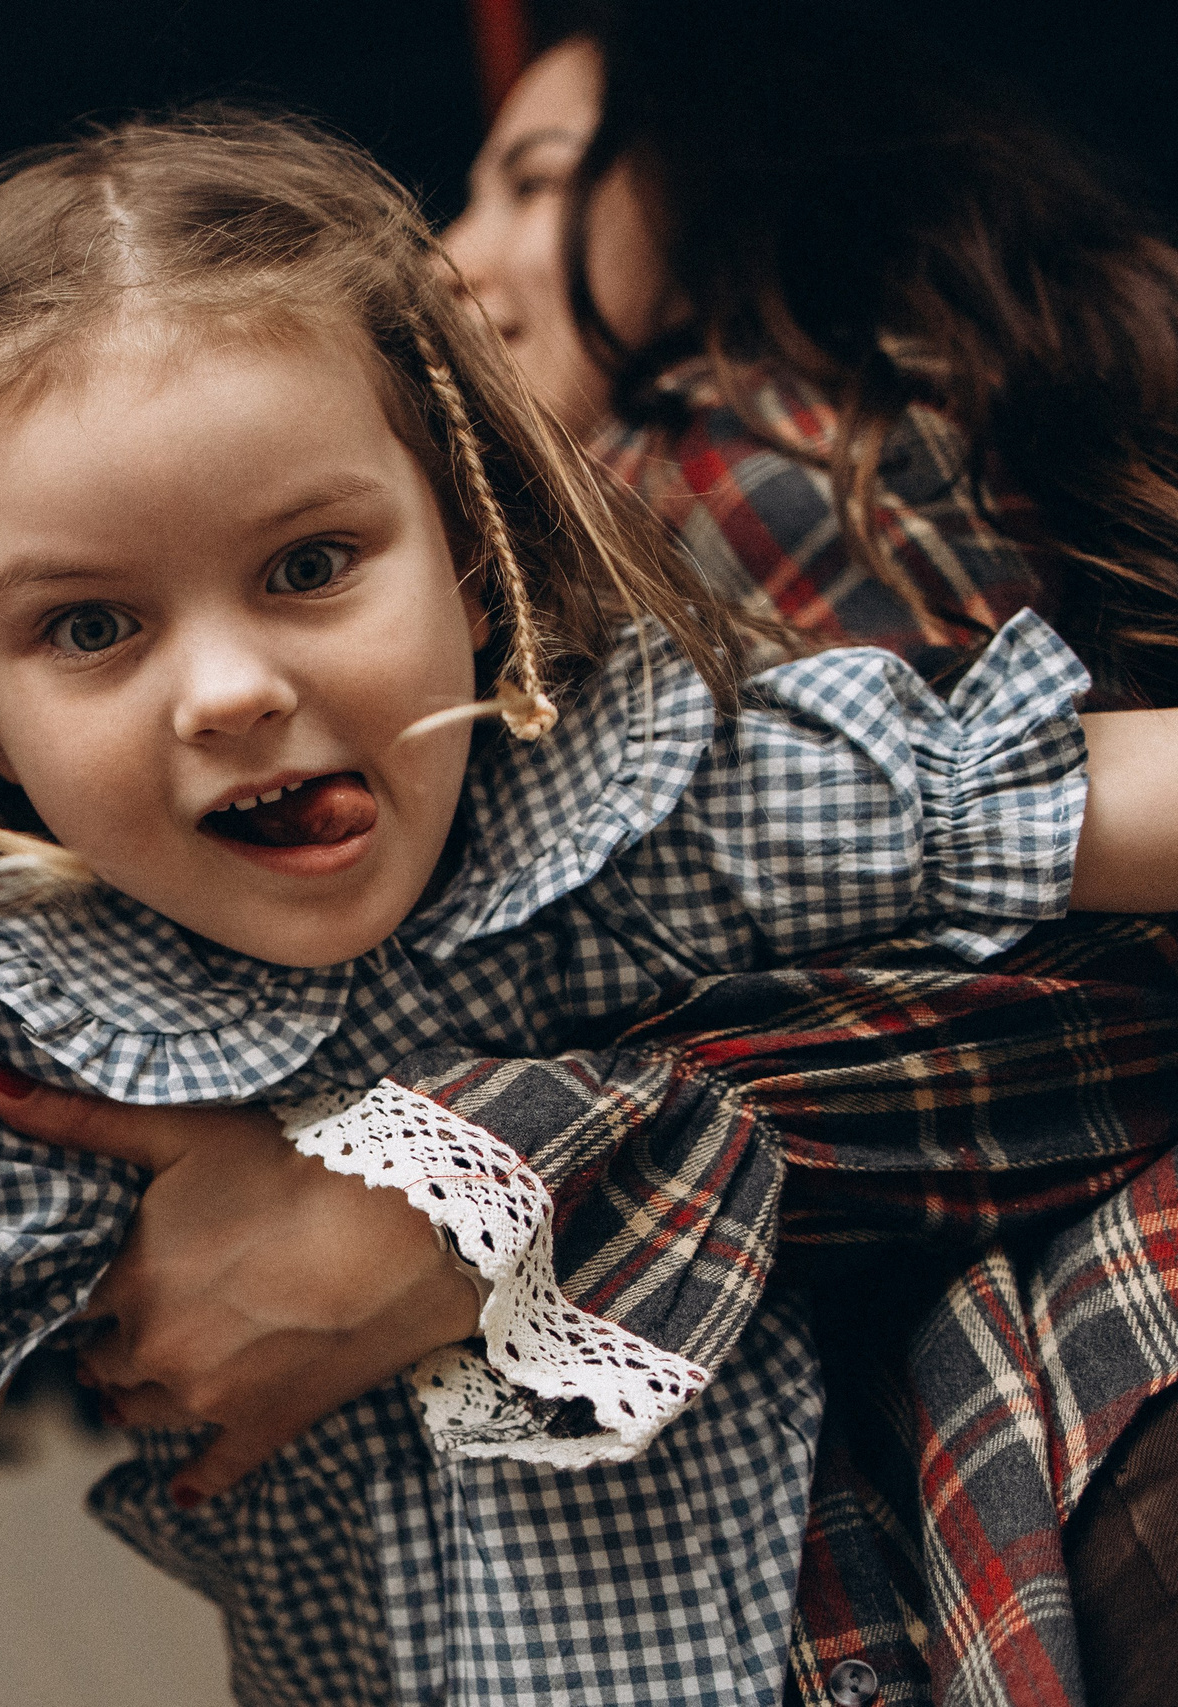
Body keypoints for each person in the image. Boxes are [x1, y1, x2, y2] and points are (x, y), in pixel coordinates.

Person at [0, 109, 1178, 1704]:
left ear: (467, 553)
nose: (233, 692)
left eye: (312, 565)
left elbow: (1095, 804)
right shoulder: (19, 1063)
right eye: (92, 623)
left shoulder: (666, 820)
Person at [437, 13, 1178, 1700]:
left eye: (533, 180)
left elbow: (1058, 981)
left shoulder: (701, 467)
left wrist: (496, 1195)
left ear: (726, 189)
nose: (451, 257)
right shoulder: (1004, 420)